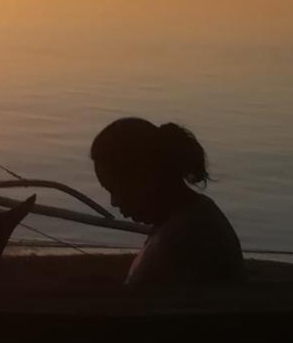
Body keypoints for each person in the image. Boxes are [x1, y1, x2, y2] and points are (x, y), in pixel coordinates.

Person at [90, 118, 244, 286]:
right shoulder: (195, 215)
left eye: (116, 189)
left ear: (146, 177)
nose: (114, 202)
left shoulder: (182, 242)